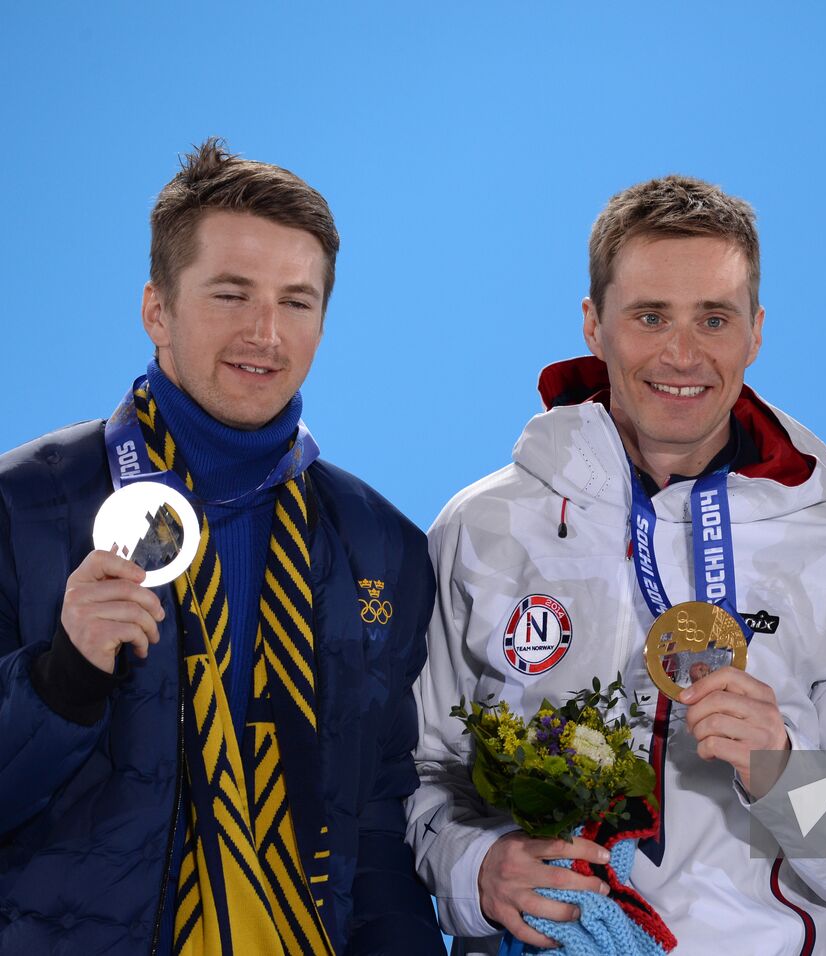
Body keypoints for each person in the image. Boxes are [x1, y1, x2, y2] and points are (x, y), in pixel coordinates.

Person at [409, 175, 826, 955]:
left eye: (713, 319)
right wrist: (477, 869)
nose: (682, 354)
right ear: (594, 325)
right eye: (649, 316)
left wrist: (783, 772)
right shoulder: (485, 528)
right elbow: (415, 783)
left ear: (755, 332)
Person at [0, 138, 440, 954]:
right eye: (231, 295)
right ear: (157, 309)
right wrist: (60, 682)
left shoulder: (383, 545)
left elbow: (379, 823)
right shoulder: (21, 506)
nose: (265, 333)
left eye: (297, 302)